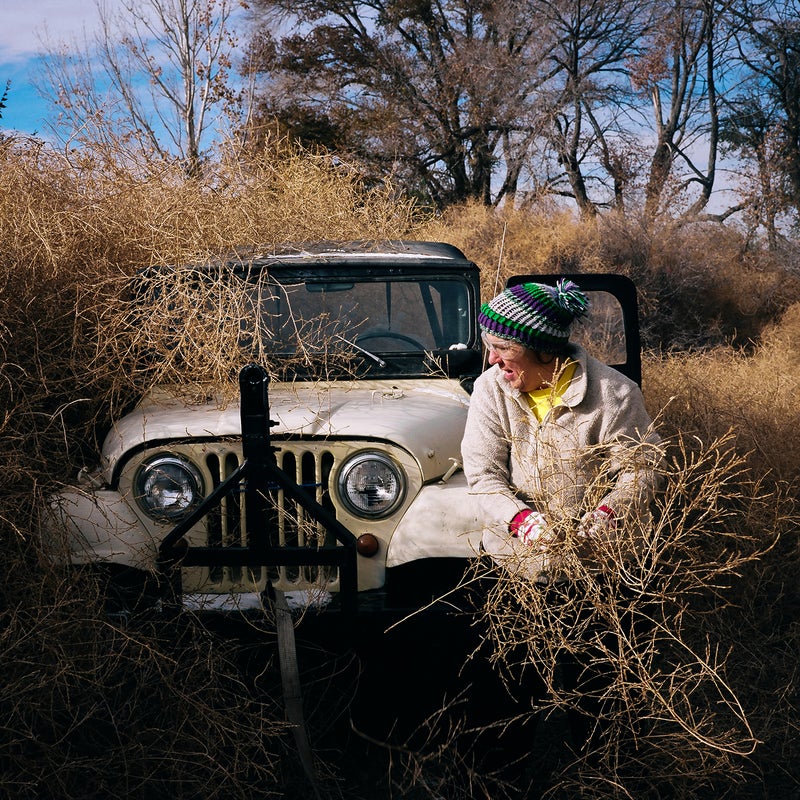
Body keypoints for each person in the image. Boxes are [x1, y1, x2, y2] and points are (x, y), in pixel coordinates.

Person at [459, 278, 662, 770]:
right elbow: (482, 475)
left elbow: (642, 470)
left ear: (541, 353)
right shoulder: (491, 390)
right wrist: (524, 521)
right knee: (505, 691)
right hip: (516, 570)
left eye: (502, 350)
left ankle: (604, 775)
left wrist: (605, 518)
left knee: (602, 690)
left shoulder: (613, 394)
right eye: (489, 349)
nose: (492, 361)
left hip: (600, 572)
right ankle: (502, 778)